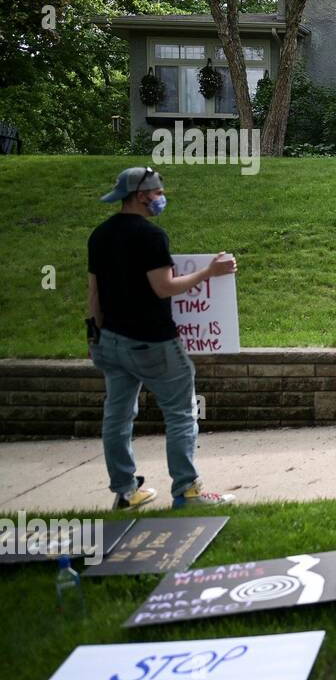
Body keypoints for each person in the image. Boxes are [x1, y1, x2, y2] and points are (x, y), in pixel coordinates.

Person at [87, 166, 237, 509]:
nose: (160, 198)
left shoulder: (99, 235)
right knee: (182, 412)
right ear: (141, 196)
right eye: (157, 193)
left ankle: (125, 492)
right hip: (152, 342)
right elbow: (164, 287)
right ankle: (187, 492)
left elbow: (93, 291)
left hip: (109, 340)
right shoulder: (151, 236)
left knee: (118, 416)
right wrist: (209, 272)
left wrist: (94, 335)